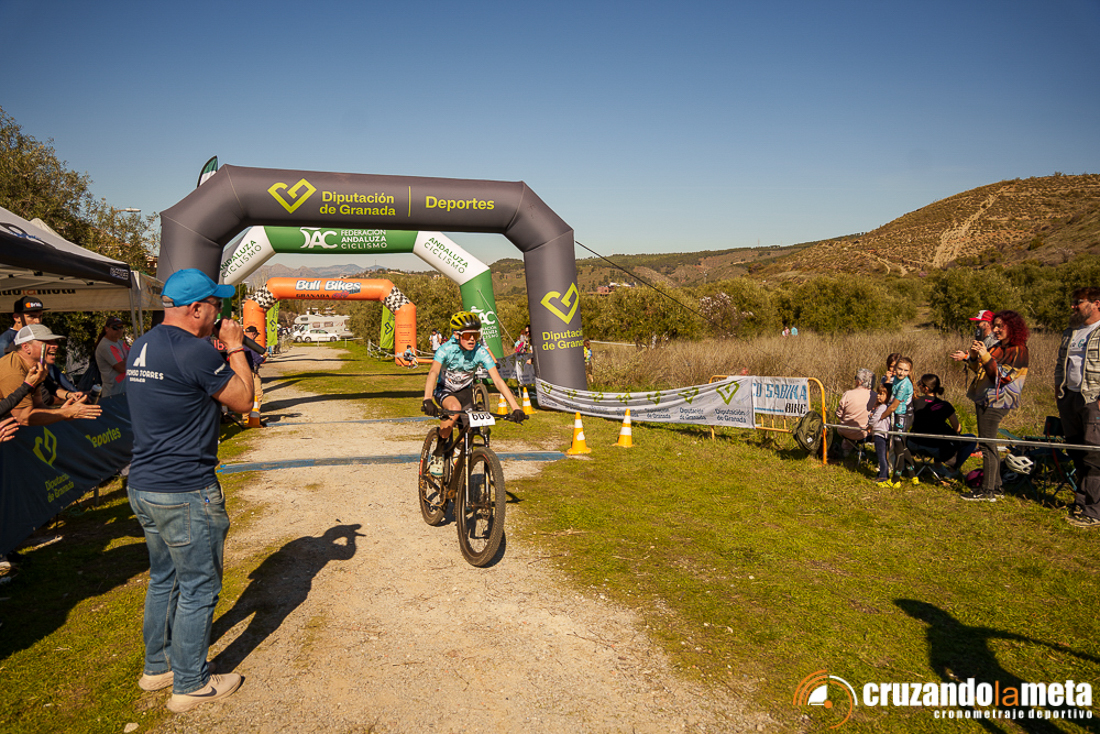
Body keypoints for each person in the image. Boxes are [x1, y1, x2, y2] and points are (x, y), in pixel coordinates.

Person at [125, 268, 254, 713]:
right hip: (185, 489)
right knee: (199, 587)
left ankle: (158, 667)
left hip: (145, 483)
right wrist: (234, 347)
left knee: (164, 579)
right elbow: (244, 400)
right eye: (216, 305)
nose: (220, 313)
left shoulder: (142, 344)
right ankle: (191, 683)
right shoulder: (194, 351)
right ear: (196, 309)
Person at [422, 311, 526, 477]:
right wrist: (427, 399)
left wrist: (516, 408)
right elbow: (433, 372)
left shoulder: (480, 351)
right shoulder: (446, 349)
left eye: (476, 335)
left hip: (465, 392)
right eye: (468, 335)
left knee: (471, 428)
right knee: (454, 408)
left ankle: (457, 453)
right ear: (457, 335)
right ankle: (438, 452)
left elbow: (498, 381)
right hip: (445, 389)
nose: (472, 339)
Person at [962, 310, 1030, 502]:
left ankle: (987, 490)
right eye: (996, 325)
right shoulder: (998, 346)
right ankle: (997, 487)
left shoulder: (1018, 350)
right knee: (987, 443)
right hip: (984, 398)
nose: (996, 330)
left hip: (998, 401)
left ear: (1013, 328)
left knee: (986, 444)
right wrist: (973, 356)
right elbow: (979, 369)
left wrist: (985, 356)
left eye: (1001, 326)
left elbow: (1003, 377)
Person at [1055, 287, 1100, 527]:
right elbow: (1060, 363)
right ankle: (1081, 502)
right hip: (1069, 397)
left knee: (1094, 454)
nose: (1073, 306)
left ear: (1096, 303)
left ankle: (1094, 510)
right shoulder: (1070, 331)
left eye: (1078, 302)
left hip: (1093, 399)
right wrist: (1058, 389)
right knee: (1076, 450)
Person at [0, 324, 102, 426]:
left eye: (54, 341)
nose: (55, 346)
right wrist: (66, 413)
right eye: (47, 342)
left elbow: (38, 405)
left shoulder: (35, 367)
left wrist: (62, 412)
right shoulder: (13, 371)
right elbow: (23, 418)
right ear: (26, 347)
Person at [906, 373, 977, 476]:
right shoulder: (945, 405)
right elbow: (957, 429)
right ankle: (952, 470)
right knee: (972, 439)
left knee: (940, 435)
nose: (918, 385)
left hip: (913, 444)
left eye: (920, 383)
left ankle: (938, 465)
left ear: (926, 388)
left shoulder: (915, 401)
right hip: (935, 448)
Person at [878, 355, 917, 485]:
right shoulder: (896, 379)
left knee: (898, 447)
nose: (901, 372)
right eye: (899, 369)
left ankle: (895, 480)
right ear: (895, 368)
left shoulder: (905, 385)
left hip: (904, 416)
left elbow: (893, 406)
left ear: (910, 372)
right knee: (902, 446)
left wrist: (881, 417)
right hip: (898, 415)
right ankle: (913, 475)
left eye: (905, 370)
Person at [835, 368, 875, 454]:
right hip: (866, 433)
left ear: (859, 382)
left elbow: (839, 414)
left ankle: (846, 450)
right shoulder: (876, 396)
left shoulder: (848, 394)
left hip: (845, 431)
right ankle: (858, 450)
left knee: (847, 433)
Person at [95, 316, 130, 398]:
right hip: (112, 394)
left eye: (121, 327)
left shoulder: (120, 342)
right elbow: (122, 368)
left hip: (124, 392)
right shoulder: (105, 345)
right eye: (115, 328)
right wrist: (131, 359)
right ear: (106, 329)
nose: (119, 330)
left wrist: (127, 360)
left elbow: (136, 355)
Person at [868, 384, 893, 486]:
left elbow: (875, 419)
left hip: (880, 433)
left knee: (881, 455)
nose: (878, 396)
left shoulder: (883, 407)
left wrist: (869, 425)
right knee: (883, 455)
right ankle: (883, 473)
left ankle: (883, 475)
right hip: (884, 433)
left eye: (882, 394)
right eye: (878, 393)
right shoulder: (883, 407)